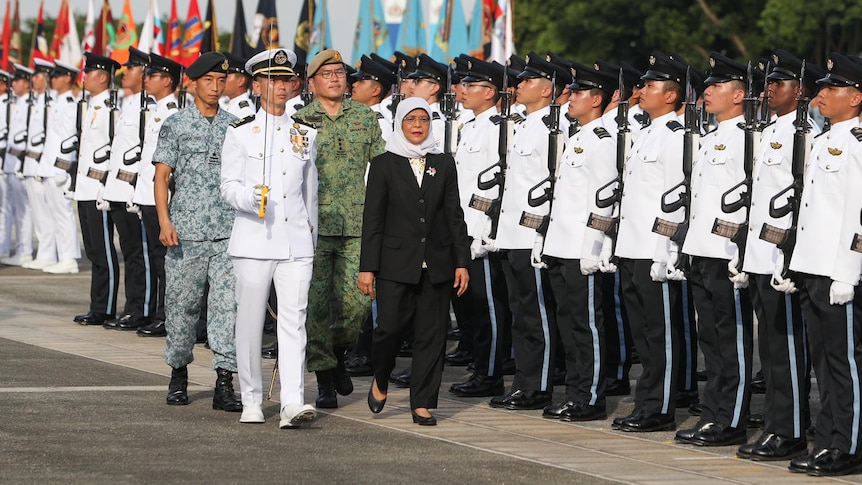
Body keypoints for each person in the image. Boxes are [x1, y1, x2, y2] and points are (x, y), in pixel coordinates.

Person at [221, 48, 319, 428]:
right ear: (258, 84)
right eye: (273, 80)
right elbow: (227, 186)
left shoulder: (304, 133)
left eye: (286, 79)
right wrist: (248, 198)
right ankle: (251, 398)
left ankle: (292, 401)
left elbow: (310, 192)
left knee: (294, 321)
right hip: (253, 239)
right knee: (249, 321)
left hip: (295, 241)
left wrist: (311, 235)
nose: (281, 86)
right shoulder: (241, 132)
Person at [359, 97, 470, 426]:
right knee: (388, 329)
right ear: (400, 124)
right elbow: (373, 220)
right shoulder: (383, 164)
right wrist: (368, 268)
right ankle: (381, 376)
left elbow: (454, 216)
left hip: (437, 263)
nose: (418, 125)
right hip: (395, 264)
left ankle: (422, 402)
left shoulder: (444, 163)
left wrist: (461, 262)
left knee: (432, 336)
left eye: (423, 119)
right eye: (411, 119)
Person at [736, 51, 820, 462]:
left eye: (778, 83)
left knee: (786, 348)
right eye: (768, 83)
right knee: (768, 350)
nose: (768, 90)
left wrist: (789, 257)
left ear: (800, 90)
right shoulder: (771, 129)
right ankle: (775, 423)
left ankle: (789, 430)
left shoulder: (803, 133)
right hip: (759, 255)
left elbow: (802, 200)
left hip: (780, 256)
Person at [292, 49, 385, 409]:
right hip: (312, 227)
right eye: (326, 73)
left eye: (340, 73)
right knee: (314, 306)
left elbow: (381, 169)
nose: (335, 78)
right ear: (311, 82)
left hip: (357, 225)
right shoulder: (299, 121)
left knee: (356, 306)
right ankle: (325, 379)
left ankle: (337, 353)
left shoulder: (365, 118)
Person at [786, 53, 862, 477]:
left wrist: (848, 272)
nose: (823, 94)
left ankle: (848, 446)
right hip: (813, 266)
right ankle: (829, 438)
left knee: (844, 362)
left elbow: (858, 212)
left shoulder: (857, 142)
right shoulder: (823, 140)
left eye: (833, 88)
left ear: (856, 98)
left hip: (838, 271)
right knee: (824, 362)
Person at [153, 52, 242, 413]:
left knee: (226, 309)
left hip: (227, 232)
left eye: (221, 81)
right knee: (182, 307)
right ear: (192, 84)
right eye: (208, 80)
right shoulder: (176, 124)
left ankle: (224, 381)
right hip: (185, 233)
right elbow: (162, 177)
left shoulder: (236, 125)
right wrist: (164, 221)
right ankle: (178, 373)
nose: (215, 87)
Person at [677, 53, 755, 447]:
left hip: (728, 253)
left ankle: (733, 419)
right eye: (707, 86)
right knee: (711, 340)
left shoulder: (747, 137)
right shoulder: (711, 136)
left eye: (716, 86)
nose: (706, 92)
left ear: (740, 95)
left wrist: (741, 252)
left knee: (733, 341)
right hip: (702, 250)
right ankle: (713, 414)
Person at [537, 62, 618, 422]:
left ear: (597, 99)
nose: (569, 98)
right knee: (568, 323)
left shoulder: (602, 140)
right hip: (561, 245)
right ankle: (574, 391)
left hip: (581, 250)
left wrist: (594, 247)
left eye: (579, 92)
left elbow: (605, 197)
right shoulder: (578, 136)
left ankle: (591, 397)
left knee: (587, 325)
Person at [611, 52, 686, 433]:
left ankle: (660, 408)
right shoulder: (644, 133)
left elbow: (675, 198)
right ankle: (646, 402)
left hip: (654, 250)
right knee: (642, 332)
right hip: (631, 247)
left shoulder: (675, 138)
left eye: (651, 86)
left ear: (670, 95)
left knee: (660, 335)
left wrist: (666, 251)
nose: (642, 91)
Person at [485, 52, 564, 411]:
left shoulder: (554, 126)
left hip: (533, 235)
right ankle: (523, 381)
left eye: (529, 82)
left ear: (547, 90)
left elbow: (553, 184)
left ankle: (539, 384)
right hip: (512, 234)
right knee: (520, 312)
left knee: (536, 313)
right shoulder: (525, 123)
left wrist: (541, 235)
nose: (518, 86)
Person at [447, 58, 511, 398]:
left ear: (489, 92)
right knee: (472, 308)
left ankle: (491, 374)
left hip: (480, 234)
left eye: (470, 86)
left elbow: (494, 185)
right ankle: (480, 368)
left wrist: (485, 232)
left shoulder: (498, 127)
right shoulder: (470, 125)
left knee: (490, 308)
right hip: (463, 231)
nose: (463, 90)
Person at [100, 47, 152, 331]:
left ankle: (142, 308)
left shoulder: (149, 107)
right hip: (119, 189)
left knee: (139, 254)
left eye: (130, 68)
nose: (124, 73)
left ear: (143, 74)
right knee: (130, 251)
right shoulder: (131, 104)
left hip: (134, 191)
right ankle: (132, 306)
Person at [132, 53, 183, 337]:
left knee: (165, 260)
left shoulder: (172, 113)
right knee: (153, 257)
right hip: (147, 193)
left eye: (152, 75)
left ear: (167, 80)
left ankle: (166, 315)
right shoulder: (153, 110)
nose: (146, 79)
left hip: (162, 196)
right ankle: (155, 313)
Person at [71, 53, 121, 325]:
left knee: (104, 250)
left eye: (89, 73)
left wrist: (106, 186)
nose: (84, 77)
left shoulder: (113, 109)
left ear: (102, 76)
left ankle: (106, 307)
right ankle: (96, 304)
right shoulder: (90, 106)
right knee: (92, 250)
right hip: (84, 188)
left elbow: (113, 150)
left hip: (99, 188)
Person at [38, 61, 81, 275]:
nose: (52, 79)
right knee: (53, 214)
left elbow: (70, 139)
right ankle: (58, 255)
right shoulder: (58, 101)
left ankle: (69, 258)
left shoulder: (70, 104)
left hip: (58, 170)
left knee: (63, 214)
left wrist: (63, 169)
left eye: (57, 76)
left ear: (67, 78)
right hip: (49, 167)